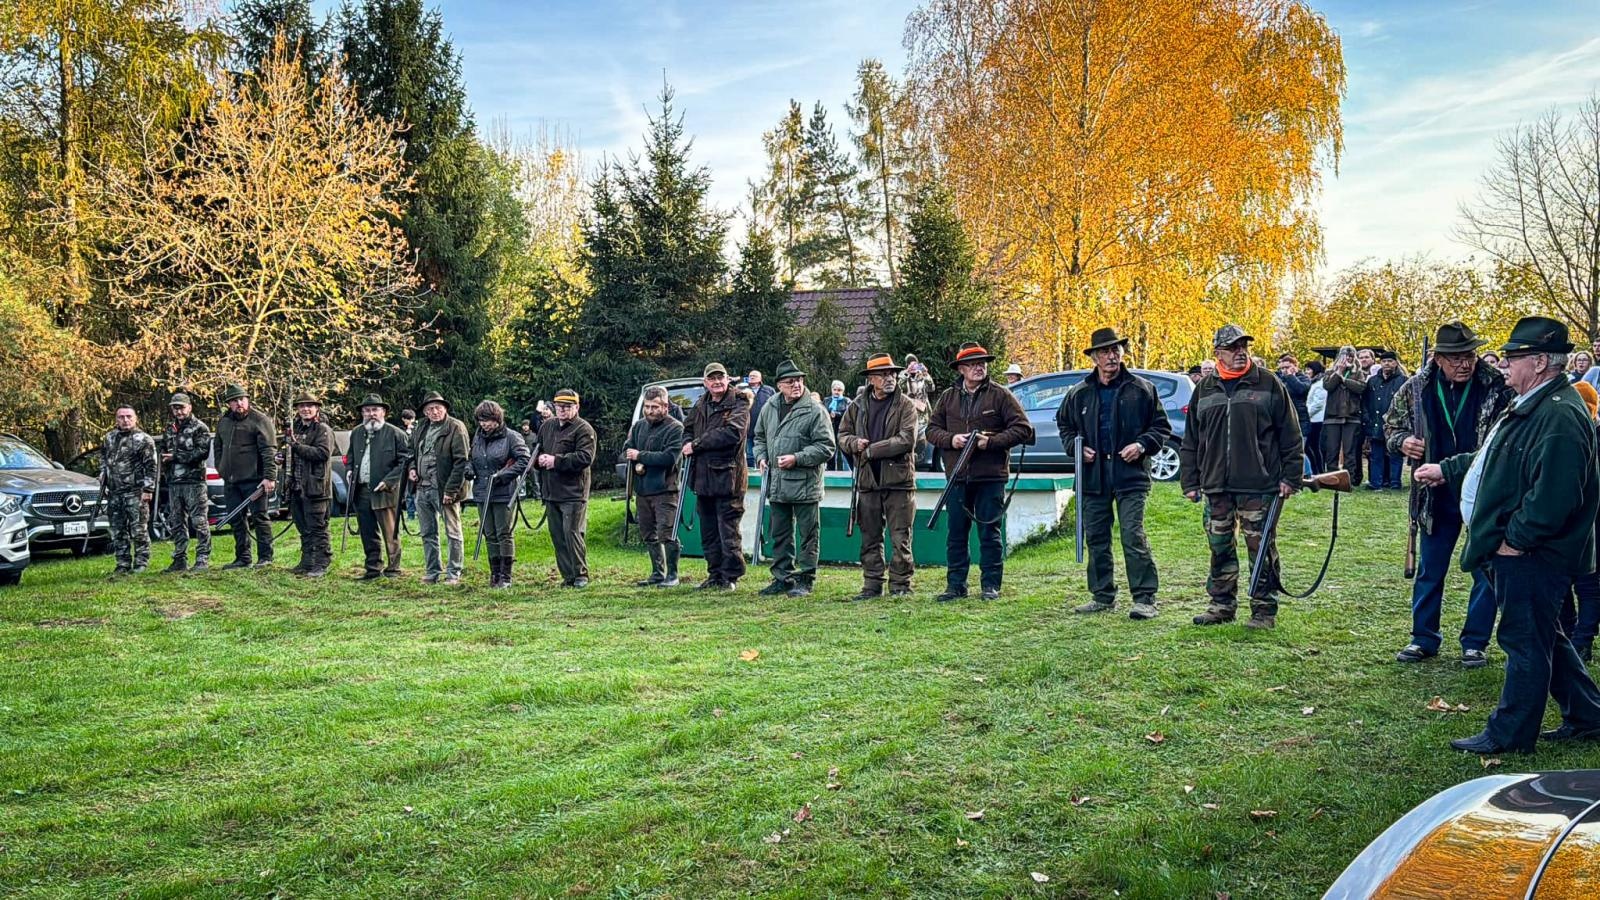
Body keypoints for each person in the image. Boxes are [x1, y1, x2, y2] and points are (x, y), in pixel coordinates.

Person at [1414, 315, 1600, 753]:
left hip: (1534, 554)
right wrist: (1449, 468)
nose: (1505, 366)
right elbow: (1495, 459)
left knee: (1524, 641)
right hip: (1525, 550)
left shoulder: (1559, 415)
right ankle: (1588, 715)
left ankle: (1511, 733)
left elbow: (1554, 498)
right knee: (1542, 635)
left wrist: (1514, 540)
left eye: (1514, 358)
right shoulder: (1534, 404)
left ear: (1538, 363)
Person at [1386, 322, 1512, 668]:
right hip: (1434, 495)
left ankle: (1475, 642)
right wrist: (1403, 442)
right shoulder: (1415, 389)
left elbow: (1507, 437)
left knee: (1485, 570)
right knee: (1431, 568)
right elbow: (1390, 427)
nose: (1465, 363)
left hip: (1483, 492)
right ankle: (1423, 638)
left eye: (1469, 355)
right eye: (1456, 357)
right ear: (1438, 358)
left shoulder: (1496, 387)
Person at [1179, 325, 1305, 629]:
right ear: (1217, 353)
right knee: (1219, 546)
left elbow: (1291, 434)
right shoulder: (1205, 388)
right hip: (1215, 485)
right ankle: (1221, 606)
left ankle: (1264, 610)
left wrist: (1291, 477)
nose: (1240, 352)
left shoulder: (1269, 383)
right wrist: (1190, 481)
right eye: (1233, 347)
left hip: (1259, 484)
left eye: (1243, 346)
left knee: (1260, 548)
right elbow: (1192, 439)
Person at [1059, 328, 1174, 619]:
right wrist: (1075, 447)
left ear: (1122, 353)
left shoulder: (1142, 389)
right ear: (1094, 357)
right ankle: (1102, 595)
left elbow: (1161, 428)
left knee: (1132, 535)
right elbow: (1065, 426)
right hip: (1094, 476)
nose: (1112, 356)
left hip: (1130, 475)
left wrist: (1142, 444)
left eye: (1116, 350)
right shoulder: (1079, 393)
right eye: (1105, 352)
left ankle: (1145, 598)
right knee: (1096, 537)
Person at [927, 342, 1034, 601]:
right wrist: (952, 440)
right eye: (973, 364)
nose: (979, 367)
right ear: (961, 369)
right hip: (957, 477)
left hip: (990, 476)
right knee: (956, 534)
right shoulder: (947, 397)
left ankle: (990, 585)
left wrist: (991, 442)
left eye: (982, 363)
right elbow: (931, 430)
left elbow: (1024, 430)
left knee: (989, 532)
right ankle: (955, 586)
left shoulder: (1001, 395)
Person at [752, 360, 836, 598]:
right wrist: (760, 457)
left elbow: (827, 447)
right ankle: (782, 578)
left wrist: (797, 458)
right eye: (790, 381)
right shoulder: (769, 407)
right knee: (780, 533)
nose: (796, 384)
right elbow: (758, 437)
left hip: (805, 483)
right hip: (777, 483)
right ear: (779, 385)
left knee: (809, 534)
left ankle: (806, 578)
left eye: (799, 380)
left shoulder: (815, 410)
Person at [837, 353, 917, 600]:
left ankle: (900, 585)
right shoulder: (856, 405)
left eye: (892, 373)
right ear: (871, 378)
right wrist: (854, 443)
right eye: (883, 374)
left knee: (900, 537)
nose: (889, 378)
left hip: (899, 481)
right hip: (868, 481)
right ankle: (872, 585)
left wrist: (871, 450)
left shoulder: (906, 405)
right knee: (870, 536)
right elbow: (842, 435)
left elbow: (907, 440)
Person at [683, 362, 752, 590]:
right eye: (712, 379)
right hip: (703, 478)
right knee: (709, 531)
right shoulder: (701, 403)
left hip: (729, 477)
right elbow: (687, 428)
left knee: (728, 530)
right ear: (705, 383)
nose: (717, 382)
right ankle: (714, 574)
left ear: (728, 379)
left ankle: (730, 576)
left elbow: (733, 433)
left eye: (720, 378)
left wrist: (697, 444)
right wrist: (687, 443)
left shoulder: (739, 402)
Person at [625, 385, 685, 587]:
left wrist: (641, 456)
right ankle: (657, 573)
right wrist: (629, 453)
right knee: (648, 532)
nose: (650, 411)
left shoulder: (676, 427)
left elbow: (670, 457)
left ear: (665, 406)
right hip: (643, 488)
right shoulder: (639, 426)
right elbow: (628, 446)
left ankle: (673, 575)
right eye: (647, 407)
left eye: (654, 407)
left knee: (667, 532)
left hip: (665, 489)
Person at [536, 389, 597, 588]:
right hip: (551, 491)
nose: (562, 409)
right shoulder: (547, 426)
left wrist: (556, 461)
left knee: (572, 533)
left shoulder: (584, 429)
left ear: (576, 407)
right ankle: (567, 576)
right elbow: (537, 450)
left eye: (567, 406)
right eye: (559, 406)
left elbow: (585, 458)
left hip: (574, 492)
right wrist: (539, 461)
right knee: (557, 535)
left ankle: (581, 575)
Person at [345, 394, 409, 579]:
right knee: (367, 531)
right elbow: (350, 457)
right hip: (361, 490)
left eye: (375, 410)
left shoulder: (396, 434)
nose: (371, 414)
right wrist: (350, 470)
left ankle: (393, 569)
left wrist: (389, 481)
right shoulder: (357, 432)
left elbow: (405, 462)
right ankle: (373, 568)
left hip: (386, 492)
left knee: (390, 532)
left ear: (383, 412)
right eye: (367, 410)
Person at [409, 391, 470, 585]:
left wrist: (450, 491)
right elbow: (412, 452)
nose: (434, 412)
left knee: (453, 532)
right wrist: (412, 468)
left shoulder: (455, 427)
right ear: (425, 412)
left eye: (438, 408)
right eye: (430, 409)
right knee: (427, 532)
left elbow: (462, 462)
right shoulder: (421, 427)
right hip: (422, 487)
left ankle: (454, 572)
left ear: (445, 408)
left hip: (443, 488)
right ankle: (432, 571)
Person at [213, 383, 277, 569]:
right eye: (234, 401)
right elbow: (218, 447)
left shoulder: (260, 420)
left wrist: (269, 477)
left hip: (255, 480)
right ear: (229, 404)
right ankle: (243, 557)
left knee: (260, 517)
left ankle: (266, 557)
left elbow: (269, 451)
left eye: (241, 399)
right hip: (231, 481)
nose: (239, 403)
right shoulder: (224, 421)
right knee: (235, 519)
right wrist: (221, 468)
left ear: (247, 400)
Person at [468, 400, 530, 589]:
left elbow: (524, 460)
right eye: (480, 420)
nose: (484, 424)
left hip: (503, 491)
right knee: (489, 533)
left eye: (487, 420)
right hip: (482, 492)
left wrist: (503, 476)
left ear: (497, 419)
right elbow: (471, 458)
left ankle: (506, 576)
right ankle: (494, 574)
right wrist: (468, 469)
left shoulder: (512, 437)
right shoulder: (477, 437)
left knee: (504, 533)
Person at [1566, 381, 1600, 662]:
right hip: (1569, 519)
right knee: (1569, 581)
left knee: (1588, 582)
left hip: (1592, 519)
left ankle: (1583, 638)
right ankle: (1574, 635)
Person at [100, 406, 156, 575]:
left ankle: (141, 562)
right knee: (118, 530)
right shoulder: (109, 438)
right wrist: (103, 474)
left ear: (135, 418)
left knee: (139, 529)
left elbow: (151, 466)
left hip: (135, 492)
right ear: (116, 419)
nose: (125, 420)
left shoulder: (144, 439)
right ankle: (122, 563)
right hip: (114, 492)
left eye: (129, 416)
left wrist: (148, 489)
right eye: (121, 417)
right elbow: (103, 458)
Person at [285, 393, 336, 578]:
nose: (305, 409)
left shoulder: (323, 429)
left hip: (316, 487)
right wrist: (282, 457)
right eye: (301, 406)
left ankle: (322, 562)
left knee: (318, 528)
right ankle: (307, 562)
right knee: (303, 527)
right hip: (297, 486)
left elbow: (322, 454)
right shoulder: (296, 429)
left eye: (309, 406)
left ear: (317, 408)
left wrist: (296, 447)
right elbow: (292, 453)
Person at [160, 393, 212, 574]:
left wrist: (176, 457)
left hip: (194, 482)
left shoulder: (199, 428)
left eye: (181, 407)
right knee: (177, 522)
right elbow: (163, 452)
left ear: (189, 407)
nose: (178, 411)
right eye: (175, 407)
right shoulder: (169, 429)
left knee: (199, 521)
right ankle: (179, 559)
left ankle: (202, 559)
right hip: (174, 483)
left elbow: (202, 453)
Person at [1320, 345, 1367, 483]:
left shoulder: (1358, 373)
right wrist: (1338, 372)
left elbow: (1361, 388)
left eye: (1351, 356)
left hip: (1352, 417)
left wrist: (1345, 380)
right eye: (1346, 356)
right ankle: (1332, 479)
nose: (1348, 359)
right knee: (1332, 450)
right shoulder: (1329, 372)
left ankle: (1349, 480)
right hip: (1332, 417)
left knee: (1350, 451)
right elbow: (1328, 386)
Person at [1364, 351, 1407, 490]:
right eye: (1384, 361)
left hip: (1395, 425)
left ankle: (1395, 483)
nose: (1387, 364)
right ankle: (1376, 482)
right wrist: (1367, 419)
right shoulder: (1372, 381)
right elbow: (1366, 402)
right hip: (1375, 422)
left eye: (1390, 361)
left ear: (1396, 363)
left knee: (1395, 455)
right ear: (1380, 363)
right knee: (1376, 455)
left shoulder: (1403, 381)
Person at [899, 355, 937, 470]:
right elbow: (898, 389)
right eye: (911, 364)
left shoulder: (922, 375)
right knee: (910, 435)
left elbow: (932, 388)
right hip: (909, 411)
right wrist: (907, 375)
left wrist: (926, 374)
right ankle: (910, 459)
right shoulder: (903, 375)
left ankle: (923, 460)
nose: (914, 366)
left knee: (923, 436)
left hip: (923, 412)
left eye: (915, 363)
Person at [1276, 354, 1312, 463]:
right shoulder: (1278, 380)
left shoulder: (1304, 378)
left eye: (1287, 367)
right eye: (1282, 368)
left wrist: (1291, 376)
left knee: (1299, 451)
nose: (1284, 370)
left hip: (1301, 419)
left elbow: (1301, 390)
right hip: (1284, 420)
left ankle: (1307, 474)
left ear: (1295, 366)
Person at [745, 369, 775, 466]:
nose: (752, 377)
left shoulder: (769, 390)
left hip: (765, 427)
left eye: (754, 375)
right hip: (748, 427)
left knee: (764, 453)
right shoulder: (743, 390)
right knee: (749, 454)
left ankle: (763, 471)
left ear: (760, 378)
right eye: (750, 376)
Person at [1304, 361, 1327, 473]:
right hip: (1312, 419)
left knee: (1313, 446)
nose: (1306, 372)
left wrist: (1306, 414)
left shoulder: (1321, 383)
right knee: (1310, 446)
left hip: (1316, 419)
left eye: (1309, 369)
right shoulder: (1312, 383)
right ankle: (1315, 469)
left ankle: (1318, 470)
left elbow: (1318, 403)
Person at [824, 380, 851, 470]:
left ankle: (848, 471)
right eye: (835, 389)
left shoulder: (846, 401)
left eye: (839, 390)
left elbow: (848, 414)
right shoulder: (827, 400)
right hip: (830, 429)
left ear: (842, 391)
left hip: (842, 429)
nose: (836, 392)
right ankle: (830, 470)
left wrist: (837, 414)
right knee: (831, 450)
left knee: (845, 451)